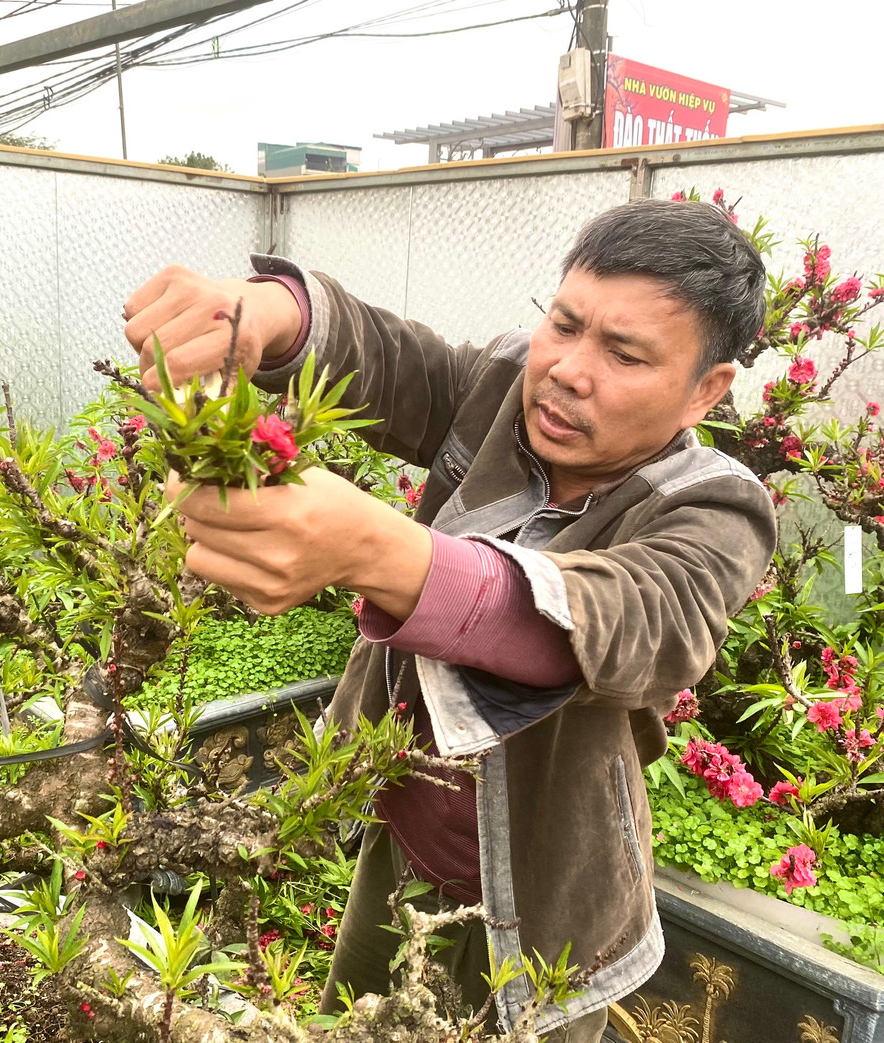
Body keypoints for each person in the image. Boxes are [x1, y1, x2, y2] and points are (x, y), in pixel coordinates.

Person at [121, 198, 777, 1040]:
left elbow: (624, 621)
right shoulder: (507, 386)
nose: (570, 370)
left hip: (546, 904)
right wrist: (274, 315)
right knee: (347, 1023)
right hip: (402, 843)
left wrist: (378, 551)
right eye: (566, 324)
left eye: (625, 353)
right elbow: (399, 363)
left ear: (706, 390)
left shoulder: (717, 506)